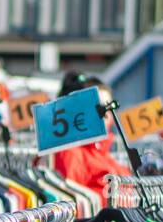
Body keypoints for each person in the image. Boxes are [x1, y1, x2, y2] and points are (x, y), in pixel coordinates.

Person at [51, 70, 131, 204]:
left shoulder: (104, 154)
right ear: (80, 112)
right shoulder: (69, 153)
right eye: (99, 107)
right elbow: (68, 214)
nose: (106, 113)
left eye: (109, 107)